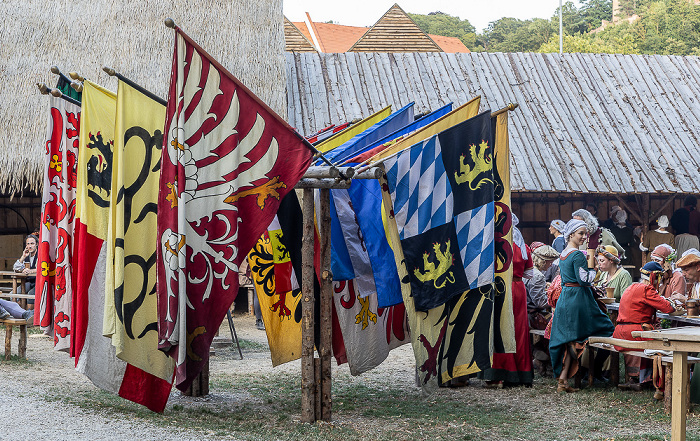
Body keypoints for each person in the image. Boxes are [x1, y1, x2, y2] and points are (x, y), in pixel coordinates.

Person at [549, 219, 615, 393]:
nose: (584, 237)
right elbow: (583, 279)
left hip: (565, 298)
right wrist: (593, 270)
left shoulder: (563, 254)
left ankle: (563, 382)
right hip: (578, 299)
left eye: (585, 234)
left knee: (571, 340)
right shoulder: (577, 255)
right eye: (581, 233)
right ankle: (597, 370)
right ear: (571, 234)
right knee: (606, 327)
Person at [479, 214, 533, 387]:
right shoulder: (524, 247)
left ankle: (497, 373)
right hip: (518, 288)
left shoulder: (494, 245)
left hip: (499, 288)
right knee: (519, 331)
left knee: (498, 328)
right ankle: (520, 373)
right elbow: (529, 274)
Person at [612, 262, 678, 391]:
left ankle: (640, 378)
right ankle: (655, 381)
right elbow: (667, 308)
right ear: (655, 277)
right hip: (634, 333)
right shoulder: (646, 289)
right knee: (664, 344)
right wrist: (673, 303)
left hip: (620, 332)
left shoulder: (631, 287)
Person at [11, 234, 38, 310]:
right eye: (28, 244)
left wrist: (30, 271)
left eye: (32, 244)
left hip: (39, 282)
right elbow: (15, 267)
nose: (30, 246)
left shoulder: (41, 254)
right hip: (29, 282)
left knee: (31, 295)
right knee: (12, 295)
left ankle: (30, 316)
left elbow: (42, 268)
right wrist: (23, 256)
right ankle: (20, 314)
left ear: (36, 244)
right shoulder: (27, 255)